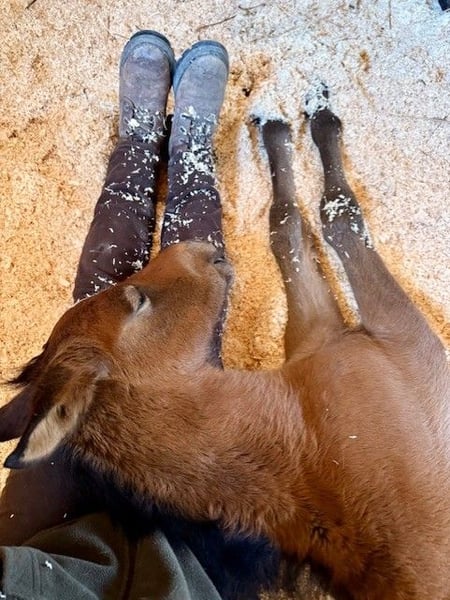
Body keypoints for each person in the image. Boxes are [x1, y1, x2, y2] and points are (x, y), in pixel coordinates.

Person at [0, 31, 281, 600]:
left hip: (48, 555)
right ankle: (191, 154)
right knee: (184, 347)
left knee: (99, 314)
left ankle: (139, 146)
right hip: (194, 568)